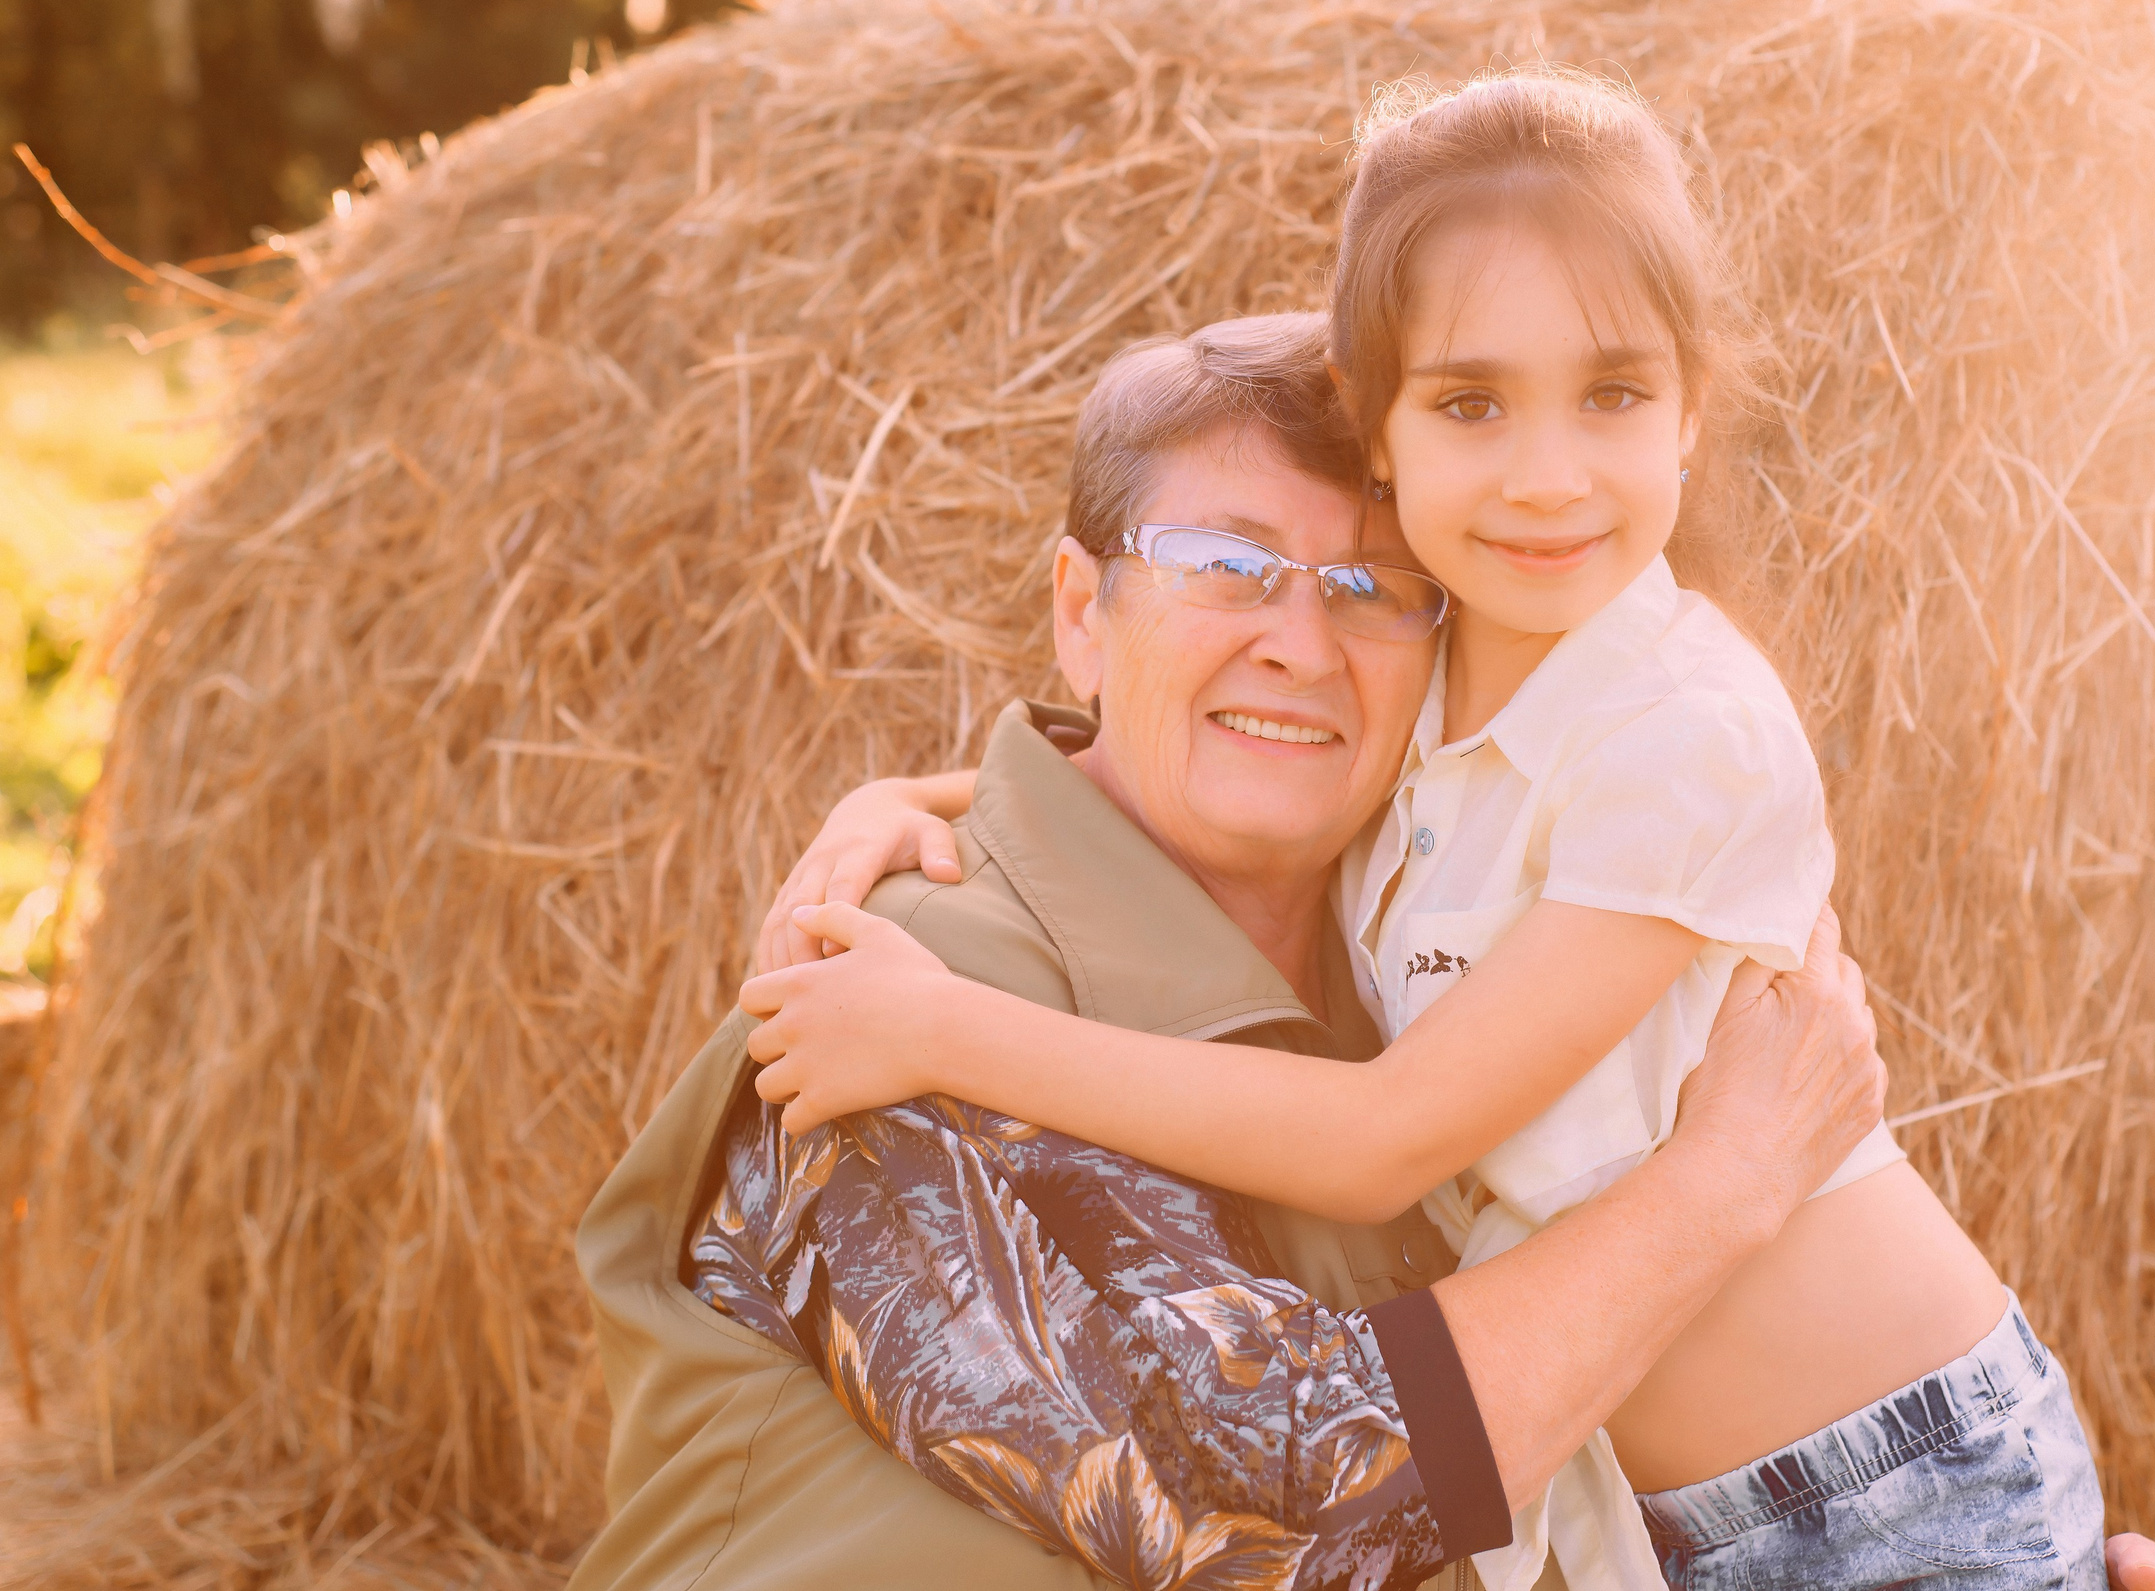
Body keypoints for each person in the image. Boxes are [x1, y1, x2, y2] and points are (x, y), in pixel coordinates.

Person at [746, 74, 2104, 1591]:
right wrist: (922, 801)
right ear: (1378, 427)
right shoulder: (1431, 679)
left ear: (1693, 409)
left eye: (1613, 393)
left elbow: (1382, 1143)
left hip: (1907, 1485)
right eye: (1471, 403)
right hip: (1681, 1532)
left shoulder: (1686, 734)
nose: (1547, 476)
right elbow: (1243, 756)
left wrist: (942, 1030)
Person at [571, 313, 1890, 1591]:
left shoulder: (1430, 995)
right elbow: (1270, 1515)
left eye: (1375, 588)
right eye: (1223, 563)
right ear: (1082, 614)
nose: (1301, 648)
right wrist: (1726, 1179)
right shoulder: (902, 992)